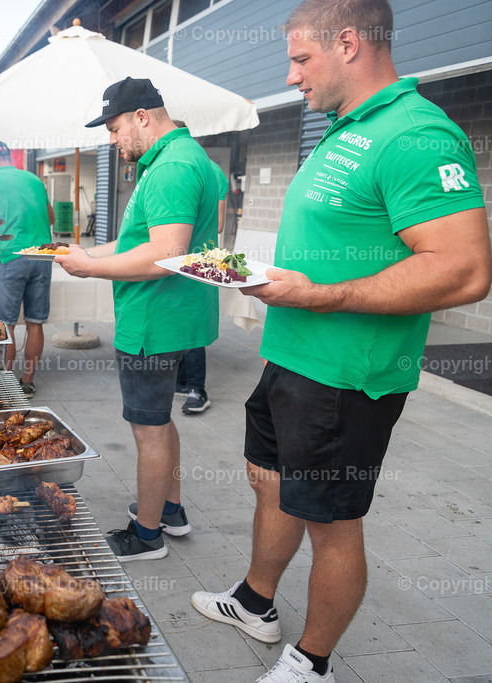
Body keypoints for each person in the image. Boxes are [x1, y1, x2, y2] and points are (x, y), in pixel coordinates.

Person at [189, 1, 491, 681]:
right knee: (269, 484)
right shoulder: (344, 126)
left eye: (301, 58)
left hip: (346, 377)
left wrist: (326, 296)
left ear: (349, 42)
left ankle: (312, 661)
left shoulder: (417, 134)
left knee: (331, 522)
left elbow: (465, 267)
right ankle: (255, 602)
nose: (292, 76)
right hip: (289, 355)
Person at [56, 78, 220, 561]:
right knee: (160, 421)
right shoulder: (189, 158)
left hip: (153, 319)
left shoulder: (171, 168)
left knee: (147, 429)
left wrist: (90, 267)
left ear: (143, 117)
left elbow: (166, 253)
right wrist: (88, 253)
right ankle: (169, 509)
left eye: (114, 128)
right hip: (173, 316)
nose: (112, 139)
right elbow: (139, 243)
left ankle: (146, 534)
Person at [0, 140, 55, 399]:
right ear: (9, 158)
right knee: (35, 322)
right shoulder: (34, 179)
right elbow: (50, 218)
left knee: (6, 326)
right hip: (43, 256)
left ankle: (5, 382)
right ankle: (27, 382)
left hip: (12, 257)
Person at [174, 149, 229, 414]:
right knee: (179, 322)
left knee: (193, 324)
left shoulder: (212, 172)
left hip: (200, 259)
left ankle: (198, 389)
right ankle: (182, 382)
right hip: (177, 259)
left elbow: (218, 224)